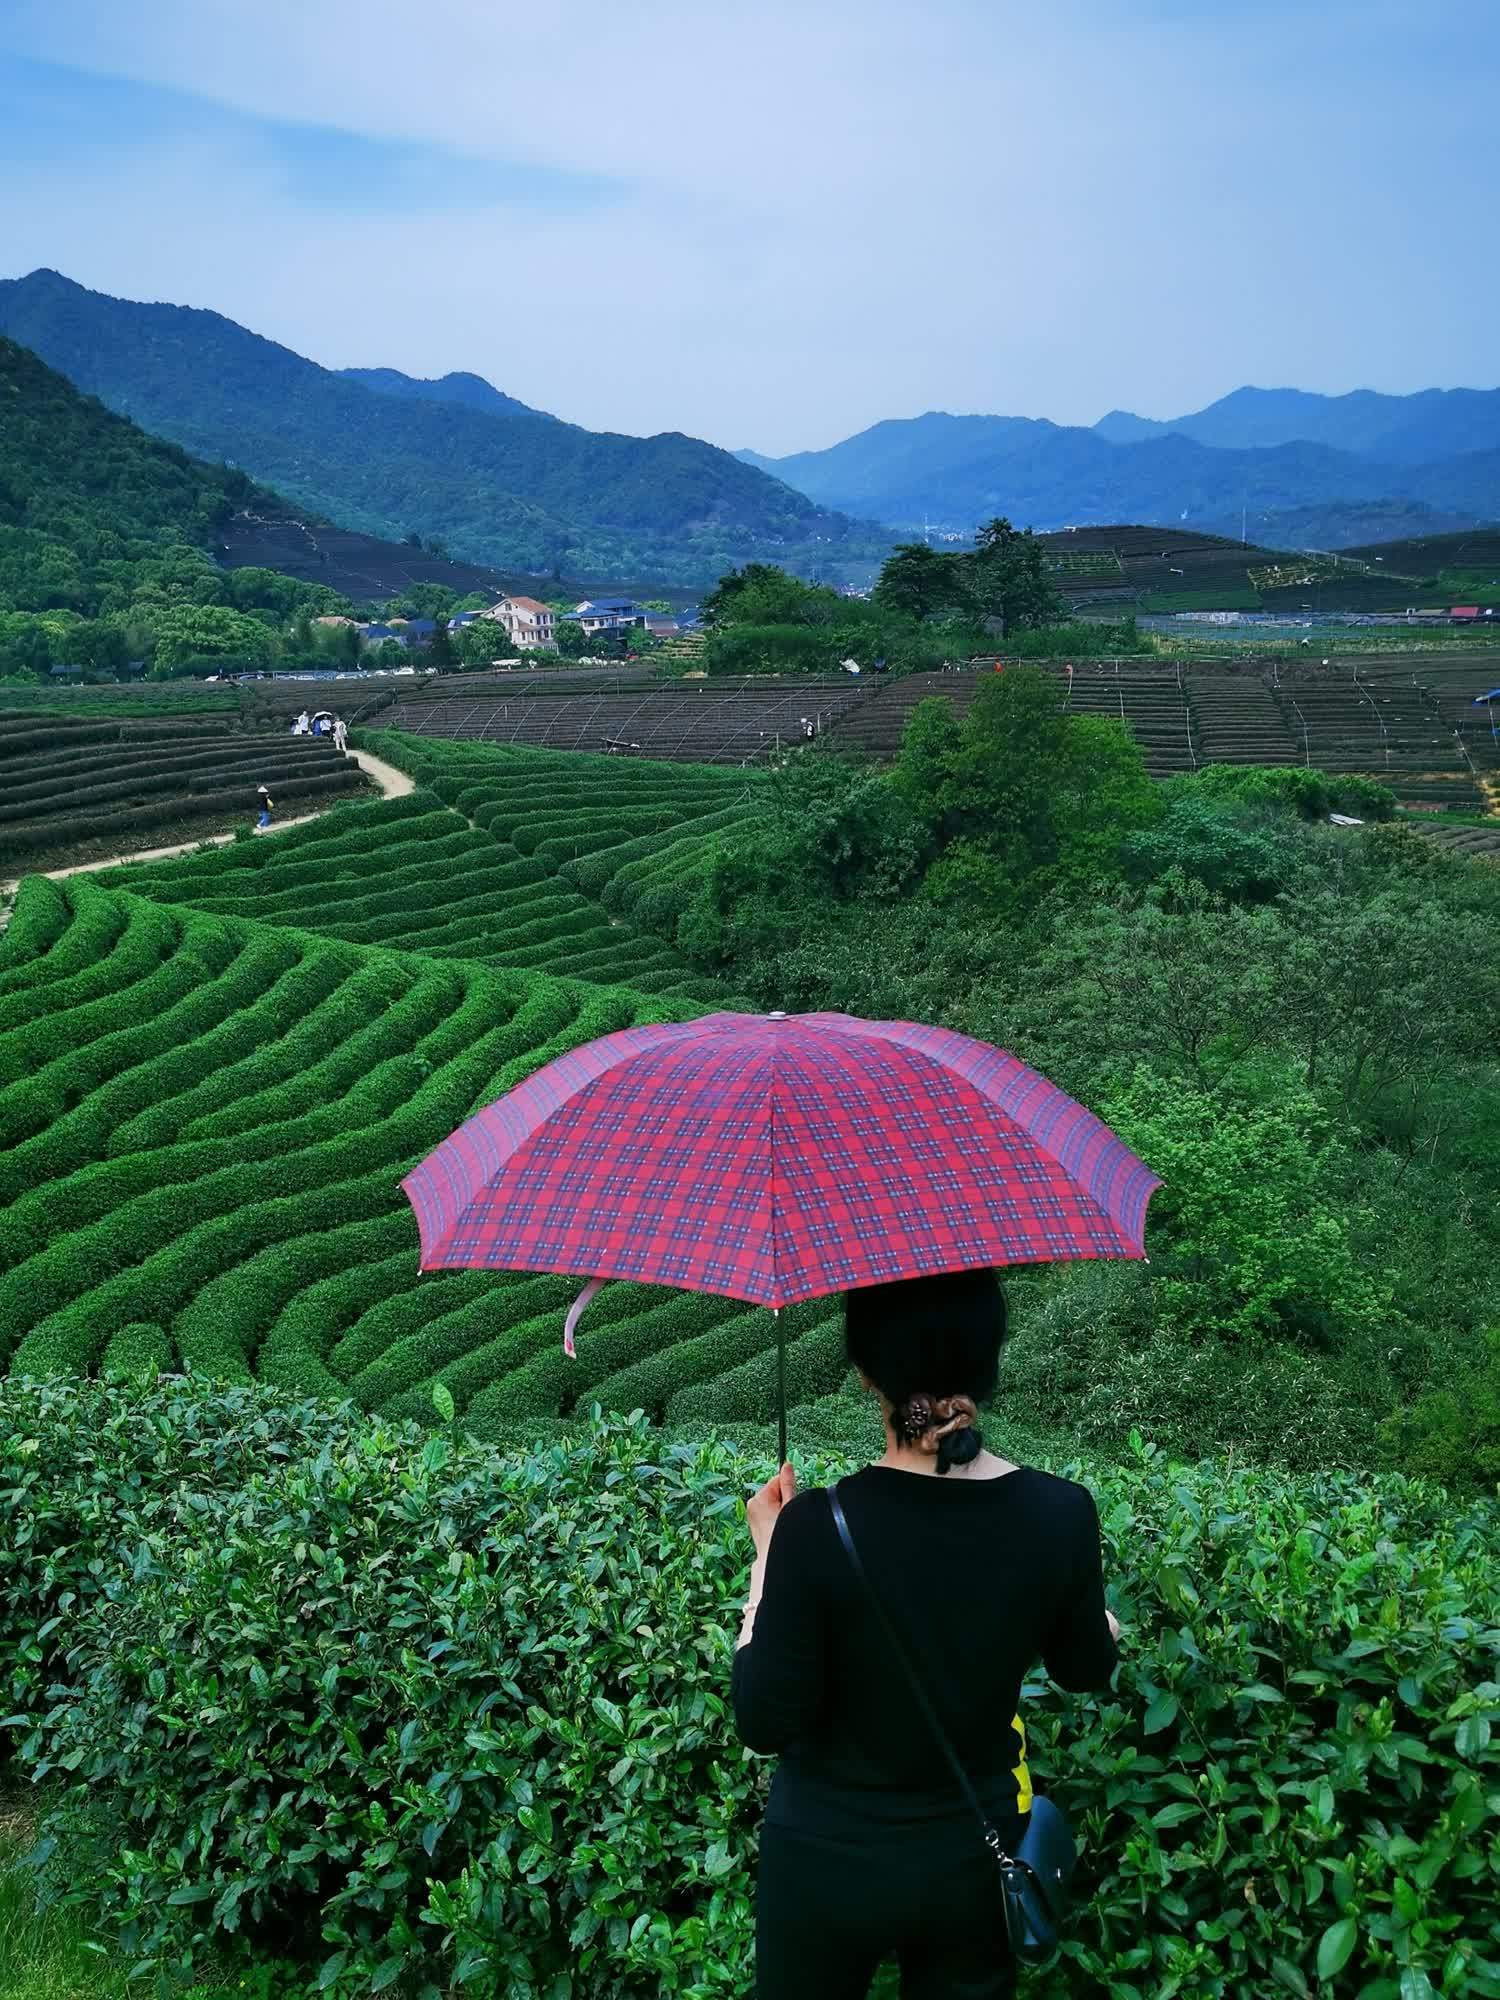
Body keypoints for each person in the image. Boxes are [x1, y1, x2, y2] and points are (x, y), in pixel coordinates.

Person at [732, 1268, 1120, 2000]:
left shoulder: (813, 1527)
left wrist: (768, 1562)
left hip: (824, 1855)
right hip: (971, 1854)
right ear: (990, 1358)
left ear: (865, 1372)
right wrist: (1101, 1624)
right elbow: (1085, 1667)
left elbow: (763, 1719)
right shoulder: (1062, 1512)